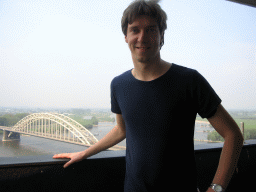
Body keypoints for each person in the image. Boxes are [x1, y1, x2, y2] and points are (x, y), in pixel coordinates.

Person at [53, 0, 244, 191]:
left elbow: (233, 134)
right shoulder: (118, 85)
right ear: (126, 37)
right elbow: (122, 129)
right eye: (135, 30)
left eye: (151, 29)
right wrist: (85, 153)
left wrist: (216, 188)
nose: (142, 37)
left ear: (161, 36)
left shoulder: (189, 80)